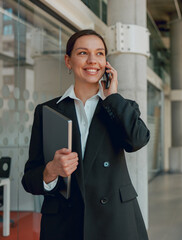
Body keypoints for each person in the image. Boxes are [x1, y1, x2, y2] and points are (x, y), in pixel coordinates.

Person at [22, 29, 150, 240]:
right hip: (64, 224)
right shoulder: (47, 111)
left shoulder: (120, 107)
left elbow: (138, 140)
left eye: (99, 53)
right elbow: (29, 179)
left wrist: (113, 97)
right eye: (83, 53)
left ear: (106, 64)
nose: (92, 60)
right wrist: (51, 170)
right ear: (68, 61)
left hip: (115, 222)